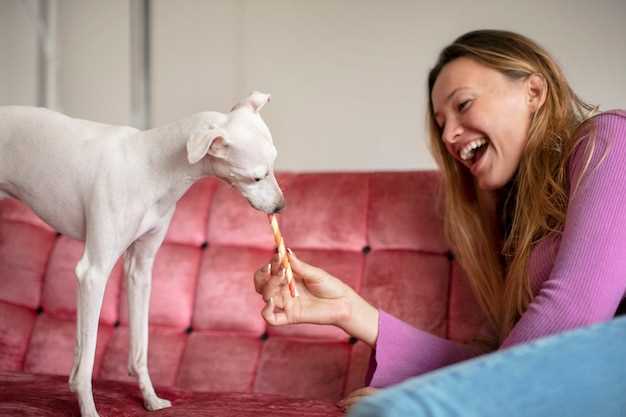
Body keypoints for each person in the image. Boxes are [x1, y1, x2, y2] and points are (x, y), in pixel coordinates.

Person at [252, 29, 626, 415]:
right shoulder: (513, 222)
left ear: (534, 91)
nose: (448, 136)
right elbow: (504, 363)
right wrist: (348, 311)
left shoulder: (611, 139)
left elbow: (573, 310)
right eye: (441, 122)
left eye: (463, 104)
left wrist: (436, 404)